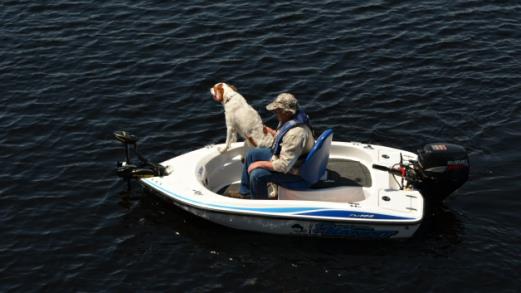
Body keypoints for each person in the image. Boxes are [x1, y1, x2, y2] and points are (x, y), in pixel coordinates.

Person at [239, 93, 315, 199]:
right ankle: (246, 194)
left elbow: (284, 166)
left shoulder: (296, 133)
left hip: (296, 171)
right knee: (252, 154)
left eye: (278, 110)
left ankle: (259, 205)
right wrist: (269, 131)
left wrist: (259, 164)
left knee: (257, 174)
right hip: (292, 159)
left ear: (287, 112)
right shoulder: (289, 119)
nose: (275, 112)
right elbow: (284, 137)